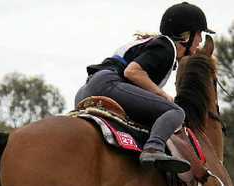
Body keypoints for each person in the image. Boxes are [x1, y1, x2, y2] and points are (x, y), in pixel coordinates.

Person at [74, 2, 215, 173]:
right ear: (186, 36)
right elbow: (132, 72)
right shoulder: (167, 48)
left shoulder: (156, 44)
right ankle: (153, 148)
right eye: (199, 34)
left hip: (85, 92)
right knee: (176, 112)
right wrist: (161, 94)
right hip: (107, 84)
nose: (200, 40)